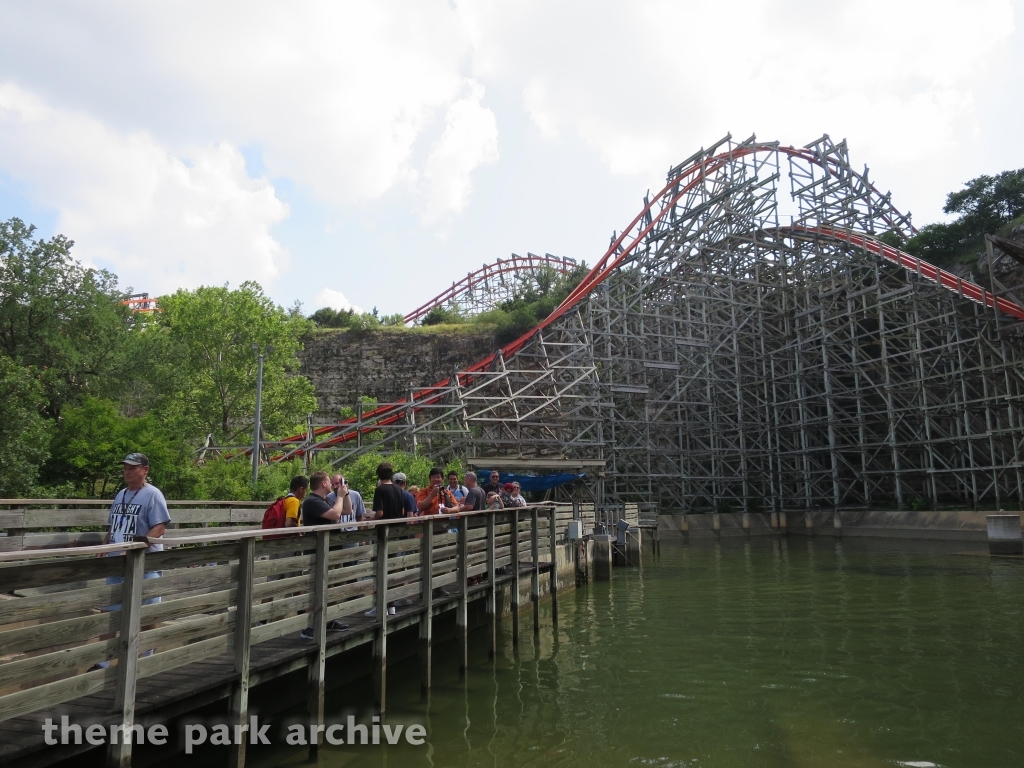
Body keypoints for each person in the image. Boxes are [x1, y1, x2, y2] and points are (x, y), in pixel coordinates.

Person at [92, 453, 171, 669]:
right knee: (109, 610)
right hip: (116, 561)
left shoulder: (153, 495)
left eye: (132, 468)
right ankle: (103, 661)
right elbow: (114, 525)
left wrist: (134, 549)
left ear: (145, 470)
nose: (127, 471)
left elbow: (160, 526)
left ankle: (147, 656)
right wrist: (105, 545)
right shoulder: (121, 495)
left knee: (146, 613)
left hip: (145, 563)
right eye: (125, 468)